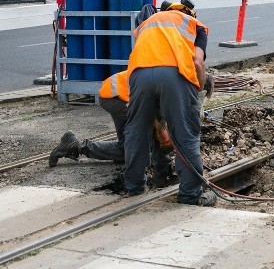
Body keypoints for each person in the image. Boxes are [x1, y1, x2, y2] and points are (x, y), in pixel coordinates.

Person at [123, 0, 216, 206]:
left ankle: (135, 188)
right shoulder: (195, 26)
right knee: (185, 134)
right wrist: (198, 94)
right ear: (190, 13)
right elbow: (198, 62)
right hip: (175, 75)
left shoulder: (147, 23)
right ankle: (191, 195)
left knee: (137, 131)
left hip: (139, 74)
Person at [48, 69, 177, 188]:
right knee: (150, 131)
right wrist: (163, 134)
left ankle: (74, 146)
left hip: (117, 95)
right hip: (116, 97)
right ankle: (163, 173)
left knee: (126, 149)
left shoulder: (171, 77)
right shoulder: (171, 84)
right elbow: (155, 119)